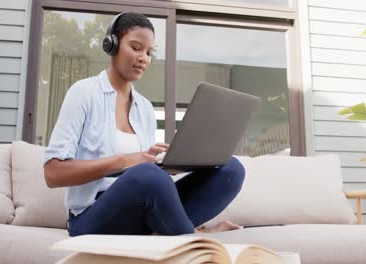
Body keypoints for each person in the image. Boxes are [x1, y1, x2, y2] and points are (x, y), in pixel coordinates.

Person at [43, 12, 245, 236]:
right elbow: (53, 173)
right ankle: (195, 240)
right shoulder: (84, 93)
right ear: (113, 45)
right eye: (136, 48)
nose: (144, 58)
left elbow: (154, 185)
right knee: (148, 175)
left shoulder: (145, 109)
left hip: (141, 212)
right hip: (90, 217)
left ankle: (173, 231)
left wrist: (166, 162)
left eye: (149, 52)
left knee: (231, 169)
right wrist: (129, 160)